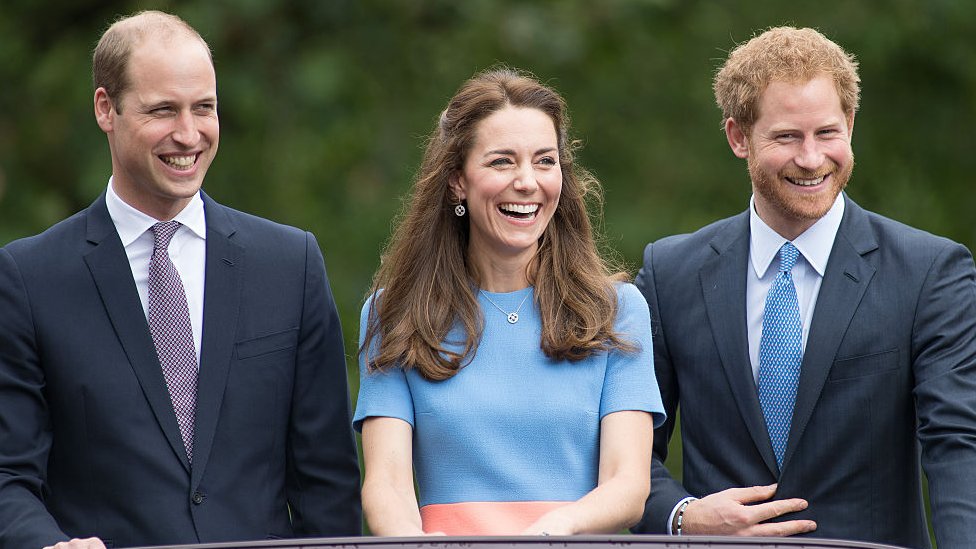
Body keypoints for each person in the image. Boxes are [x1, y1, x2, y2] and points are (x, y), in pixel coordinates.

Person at [0, 11, 361, 549]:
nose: (189, 134)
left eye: (205, 108)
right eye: (163, 110)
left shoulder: (291, 265)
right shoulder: (29, 279)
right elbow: (8, 476)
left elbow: (327, 484)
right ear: (106, 109)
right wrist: (48, 544)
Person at [630, 26, 976, 548]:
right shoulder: (669, 272)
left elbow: (958, 445)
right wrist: (682, 516)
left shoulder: (930, 272)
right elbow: (628, 451)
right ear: (738, 137)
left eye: (827, 133)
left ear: (852, 125)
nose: (812, 159)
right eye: (787, 137)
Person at [353, 67, 665, 536]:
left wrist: (550, 531)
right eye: (502, 162)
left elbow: (627, 486)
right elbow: (387, 485)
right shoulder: (392, 313)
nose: (527, 182)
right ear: (458, 180)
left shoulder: (617, 310)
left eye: (545, 161)